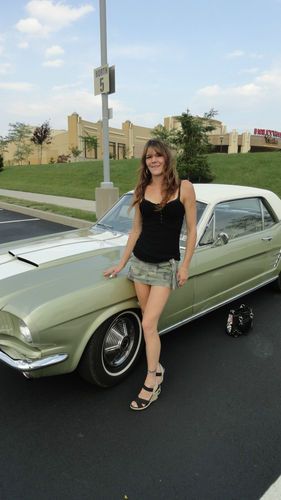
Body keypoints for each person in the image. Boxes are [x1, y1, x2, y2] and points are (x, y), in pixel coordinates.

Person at [104, 139, 197, 411]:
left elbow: (191, 231)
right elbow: (136, 231)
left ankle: (152, 379)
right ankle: (157, 365)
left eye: (158, 156)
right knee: (149, 323)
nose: (153, 160)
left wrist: (185, 265)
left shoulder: (184, 188)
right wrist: (122, 264)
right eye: (148, 157)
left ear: (167, 158)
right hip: (140, 264)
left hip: (165, 266)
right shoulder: (142, 189)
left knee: (147, 325)